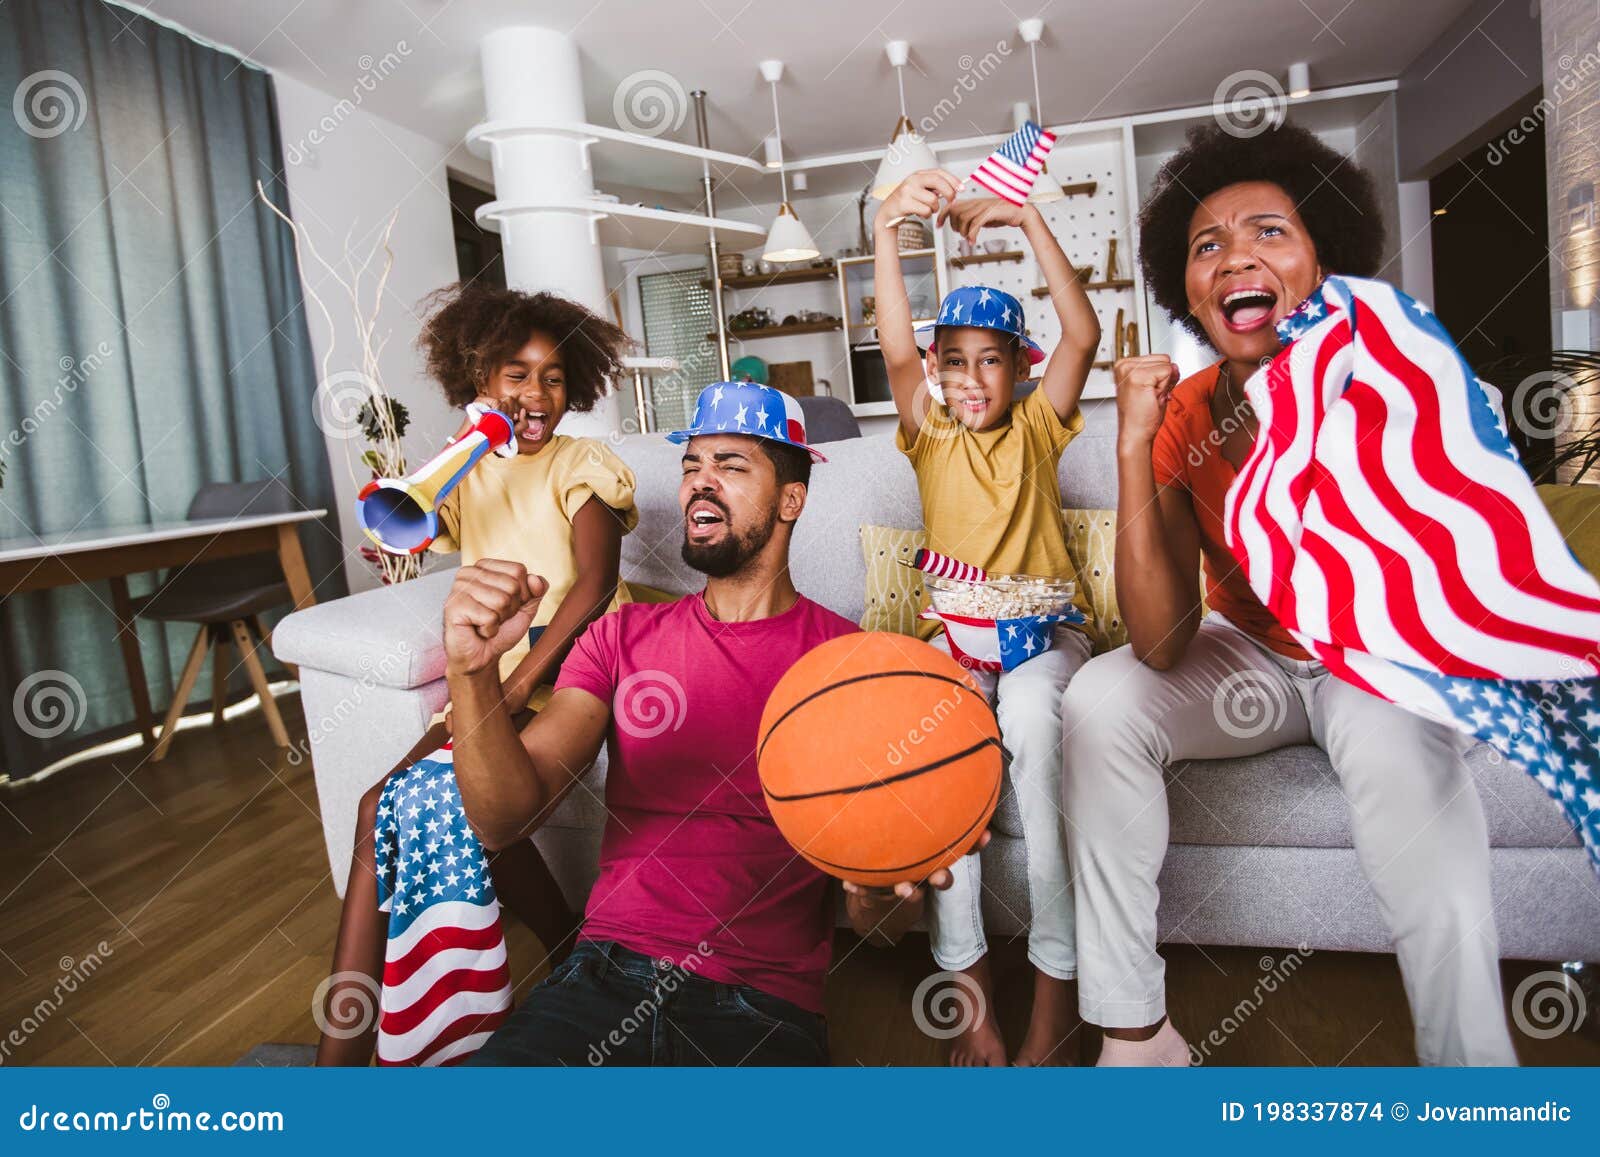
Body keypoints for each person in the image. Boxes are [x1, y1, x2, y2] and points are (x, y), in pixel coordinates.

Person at [1060, 122, 1517, 1066]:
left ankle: (1474, 1081)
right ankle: (1137, 1036)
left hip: (1373, 652)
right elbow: (1158, 643)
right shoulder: (1184, 415)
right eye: (1206, 245)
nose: (1236, 258)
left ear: (1322, 260)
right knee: (1099, 699)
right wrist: (1129, 443)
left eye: (1270, 231)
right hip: (1256, 656)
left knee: (1403, 759)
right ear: (1184, 285)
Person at [447, 381, 976, 1066]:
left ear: (792, 499)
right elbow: (502, 818)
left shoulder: (853, 665)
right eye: (692, 466)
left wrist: (874, 889)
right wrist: (472, 674)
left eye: (730, 466)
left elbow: (881, 926)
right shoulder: (619, 637)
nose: (701, 483)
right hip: (600, 977)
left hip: (760, 1004)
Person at [316, 283, 638, 1066]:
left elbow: (594, 587)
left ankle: (343, 1077)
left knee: (463, 808)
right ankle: (565, 948)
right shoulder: (473, 469)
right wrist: (410, 502)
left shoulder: (581, 462)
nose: (535, 393)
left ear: (577, 388)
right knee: (376, 810)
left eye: (554, 377)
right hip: (496, 680)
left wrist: (522, 681)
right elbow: (415, 535)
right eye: (515, 374)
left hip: (576, 667)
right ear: (479, 379)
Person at [873, 173, 1101, 1066]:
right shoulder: (929, 433)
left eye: (992, 359)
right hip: (958, 642)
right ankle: (971, 1001)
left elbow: (1081, 331)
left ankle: (1054, 994)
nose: (972, 379)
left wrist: (1030, 218)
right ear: (936, 370)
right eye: (954, 361)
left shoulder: (1042, 427)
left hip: (1044, 639)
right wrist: (888, 228)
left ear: (1020, 368)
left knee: (1038, 739)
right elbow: (894, 346)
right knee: (946, 772)